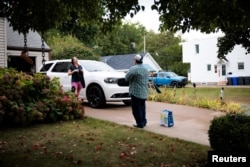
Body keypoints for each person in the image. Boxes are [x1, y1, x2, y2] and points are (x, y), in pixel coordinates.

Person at [125, 54, 149, 128]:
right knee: (142, 109)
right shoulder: (145, 69)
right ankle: (144, 121)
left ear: (135, 60)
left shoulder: (133, 69)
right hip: (144, 92)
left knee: (136, 110)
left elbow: (127, 78)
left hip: (136, 92)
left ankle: (140, 124)